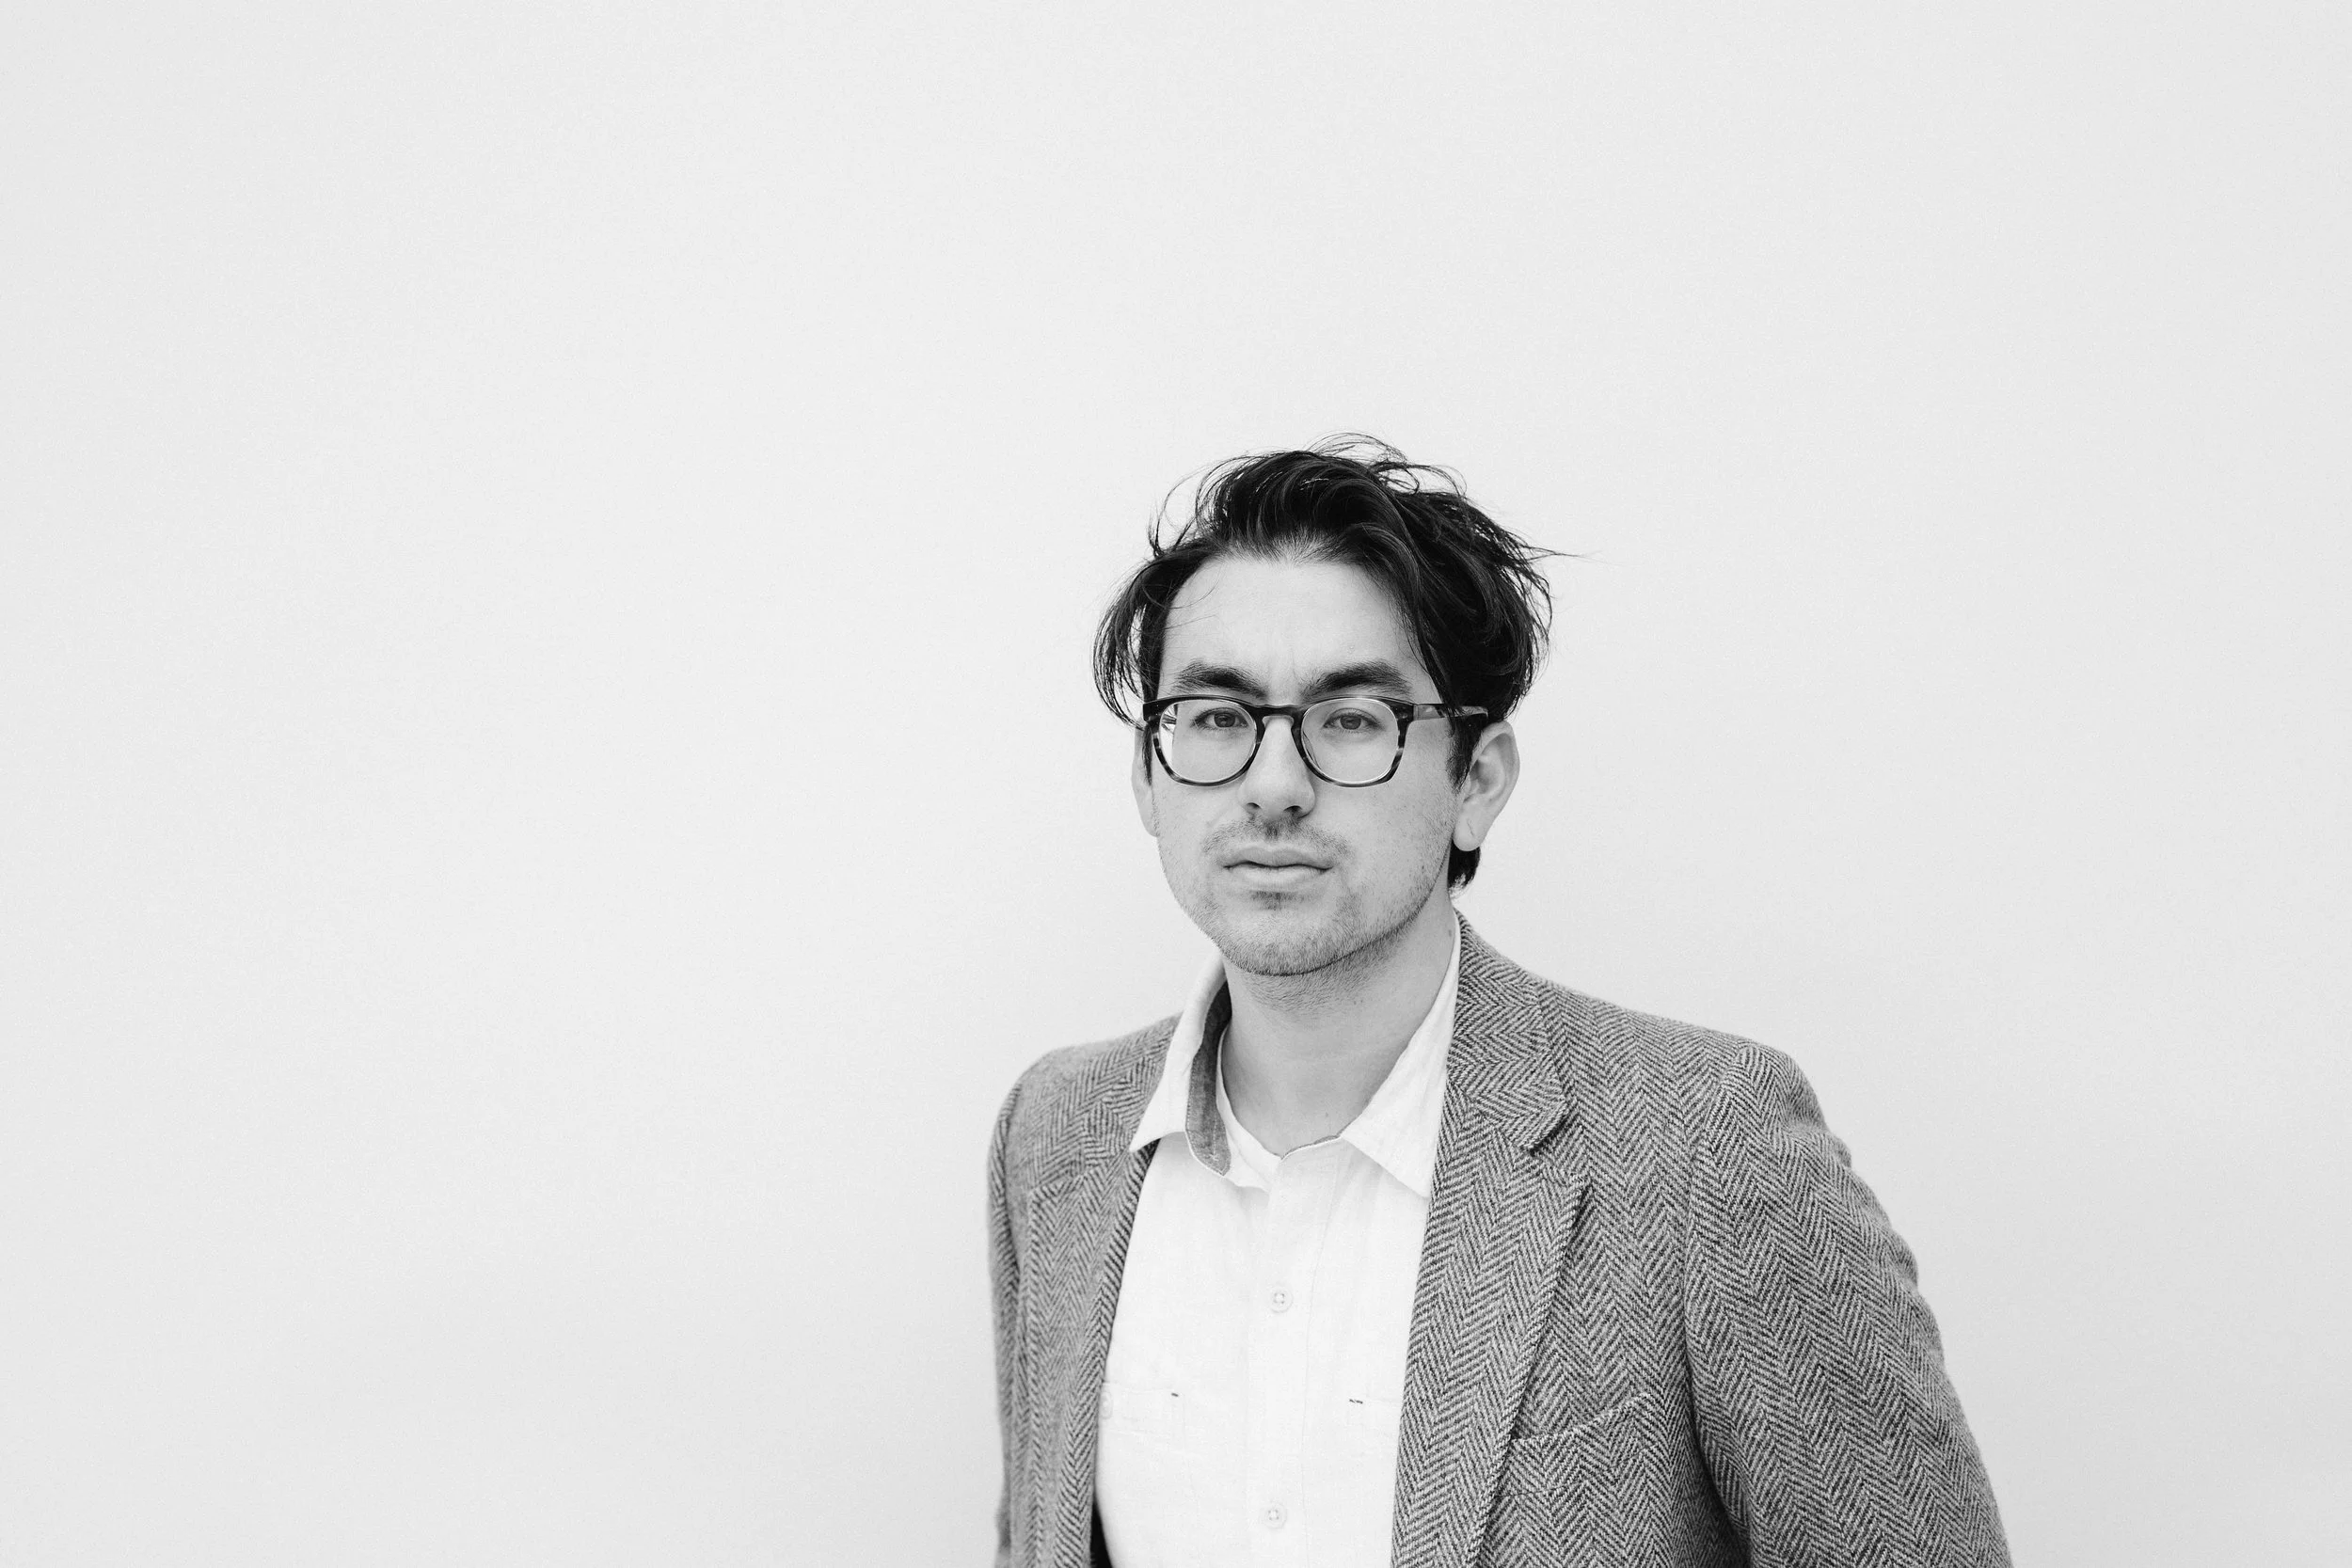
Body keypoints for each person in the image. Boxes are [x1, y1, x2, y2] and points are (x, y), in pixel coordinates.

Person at [986, 438, 2008, 1568]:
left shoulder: (1706, 1151)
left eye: (1353, 719)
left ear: (1477, 778)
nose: (1274, 785)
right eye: (1217, 718)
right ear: (1147, 775)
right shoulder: (1055, 1140)